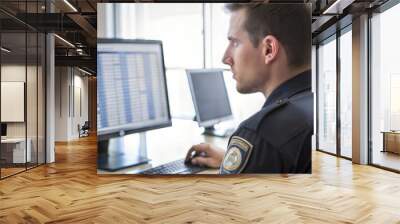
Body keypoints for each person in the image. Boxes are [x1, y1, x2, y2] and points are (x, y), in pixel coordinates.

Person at [185, 2, 313, 174]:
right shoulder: (317, 103)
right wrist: (240, 160)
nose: (225, 58)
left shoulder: (262, 135)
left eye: (235, 43)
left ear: (269, 49)